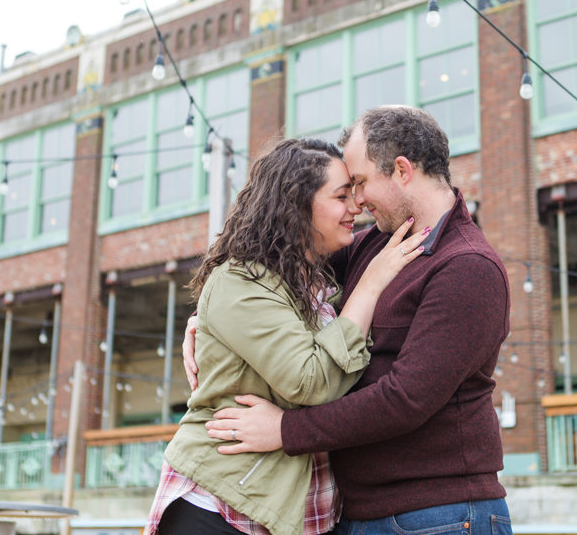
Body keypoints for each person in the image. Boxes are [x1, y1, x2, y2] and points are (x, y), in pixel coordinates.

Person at [186, 107, 513, 535]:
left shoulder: (467, 266)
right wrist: (205, 319)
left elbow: (405, 399)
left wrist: (286, 430)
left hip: (441, 513)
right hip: (358, 513)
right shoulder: (374, 243)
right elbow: (278, 272)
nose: (356, 203)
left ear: (401, 171)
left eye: (359, 183)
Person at [147, 138, 429, 535]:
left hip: (292, 512)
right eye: (341, 195)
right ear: (297, 205)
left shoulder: (317, 284)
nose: (356, 206)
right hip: (223, 505)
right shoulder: (241, 280)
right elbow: (308, 381)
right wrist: (371, 286)